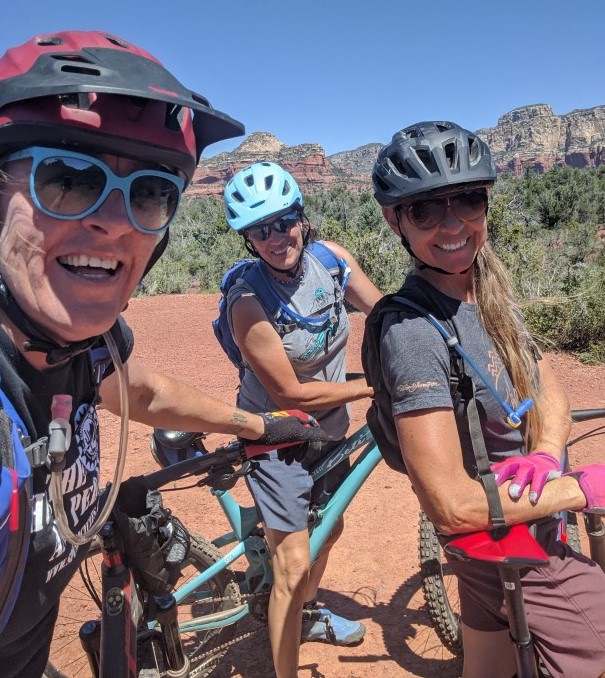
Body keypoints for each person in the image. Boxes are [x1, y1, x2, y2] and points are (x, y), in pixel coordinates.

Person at [0, 31, 327, 678]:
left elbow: (138, 390)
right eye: (66, 179)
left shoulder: (82, 348)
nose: (116, 221)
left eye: (149, 192)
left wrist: (257, 426)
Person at [362, 120, 605, 678]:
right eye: (425, 210)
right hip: (512, 546)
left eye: (469, 199)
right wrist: (577, 488)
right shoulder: (414, 332)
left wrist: (545, 454)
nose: (453, 224)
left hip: (512, 532)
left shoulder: (485, 289)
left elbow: (545, 385)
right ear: (393, 218)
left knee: (488, 661)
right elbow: (451, 506)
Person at [223, 161, 382, 677]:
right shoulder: (247, 301)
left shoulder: (332, 261)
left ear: (301, 217)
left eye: (284, 222)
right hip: (277, 434)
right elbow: (289, 392)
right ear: (248, 239)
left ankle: (306, 613)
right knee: (293, 565)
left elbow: (380, 313)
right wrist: (373, 385)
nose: (276, 238)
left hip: (329, 430)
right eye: (259, 230)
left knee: (328, 529)